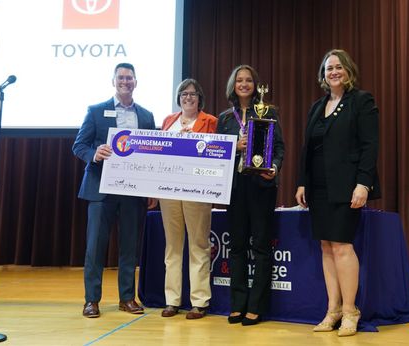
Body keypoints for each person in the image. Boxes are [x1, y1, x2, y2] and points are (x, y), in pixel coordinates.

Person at [295, 49, 381, 336]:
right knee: (326, 247)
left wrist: (363, 183)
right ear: (323, 74)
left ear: (348, 71)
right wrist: (302, 182)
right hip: (318, 188)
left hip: (347, 186)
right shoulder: (317, 107)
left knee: (342, 246)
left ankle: (350, 311)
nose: (333, 72)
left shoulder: (361, 101)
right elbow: (308, 149)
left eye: (338, 67)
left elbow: (370, 146)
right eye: (328, 68)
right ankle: (332, 310)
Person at [72, 62, 156, 318]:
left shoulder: (146, 116)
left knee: (129, 246)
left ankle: (127, 298)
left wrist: (151, 188)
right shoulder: (96, 111)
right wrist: (94, 153)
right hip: (100, 189)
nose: (125, 81)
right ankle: (91, 300)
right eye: (121, 77)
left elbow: (152, 154)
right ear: (113, 81)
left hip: (133, 190)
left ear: (135, 82)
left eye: (129, 78)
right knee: (95, 246)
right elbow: (79, 145)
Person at [217, 65, 285, 326]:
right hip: (234, 188)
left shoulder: (269, 112)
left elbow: (279, 147)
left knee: (261, 247)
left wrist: (274, 168)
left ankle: (256, 307)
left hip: (261, 186)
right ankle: (237, 304)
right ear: (233, 85)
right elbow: (215, 151)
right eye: (239, 80)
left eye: (248, 80)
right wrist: (236, 145)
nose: (244, 84)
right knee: (236, 247)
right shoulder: (225, 118)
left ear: (256, 85)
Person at [158, 79, 217, 319]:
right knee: (172, 247)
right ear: (178, 97)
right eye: (184, 93)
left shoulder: (210, 121)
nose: (188, 97)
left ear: (199, 97)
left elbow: (215, 154)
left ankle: (199, 301)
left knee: (198, 245)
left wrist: (190, 141)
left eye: (193, 94)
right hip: (169, 191)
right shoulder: (168, 121)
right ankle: (172, 301)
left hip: (197, 190)